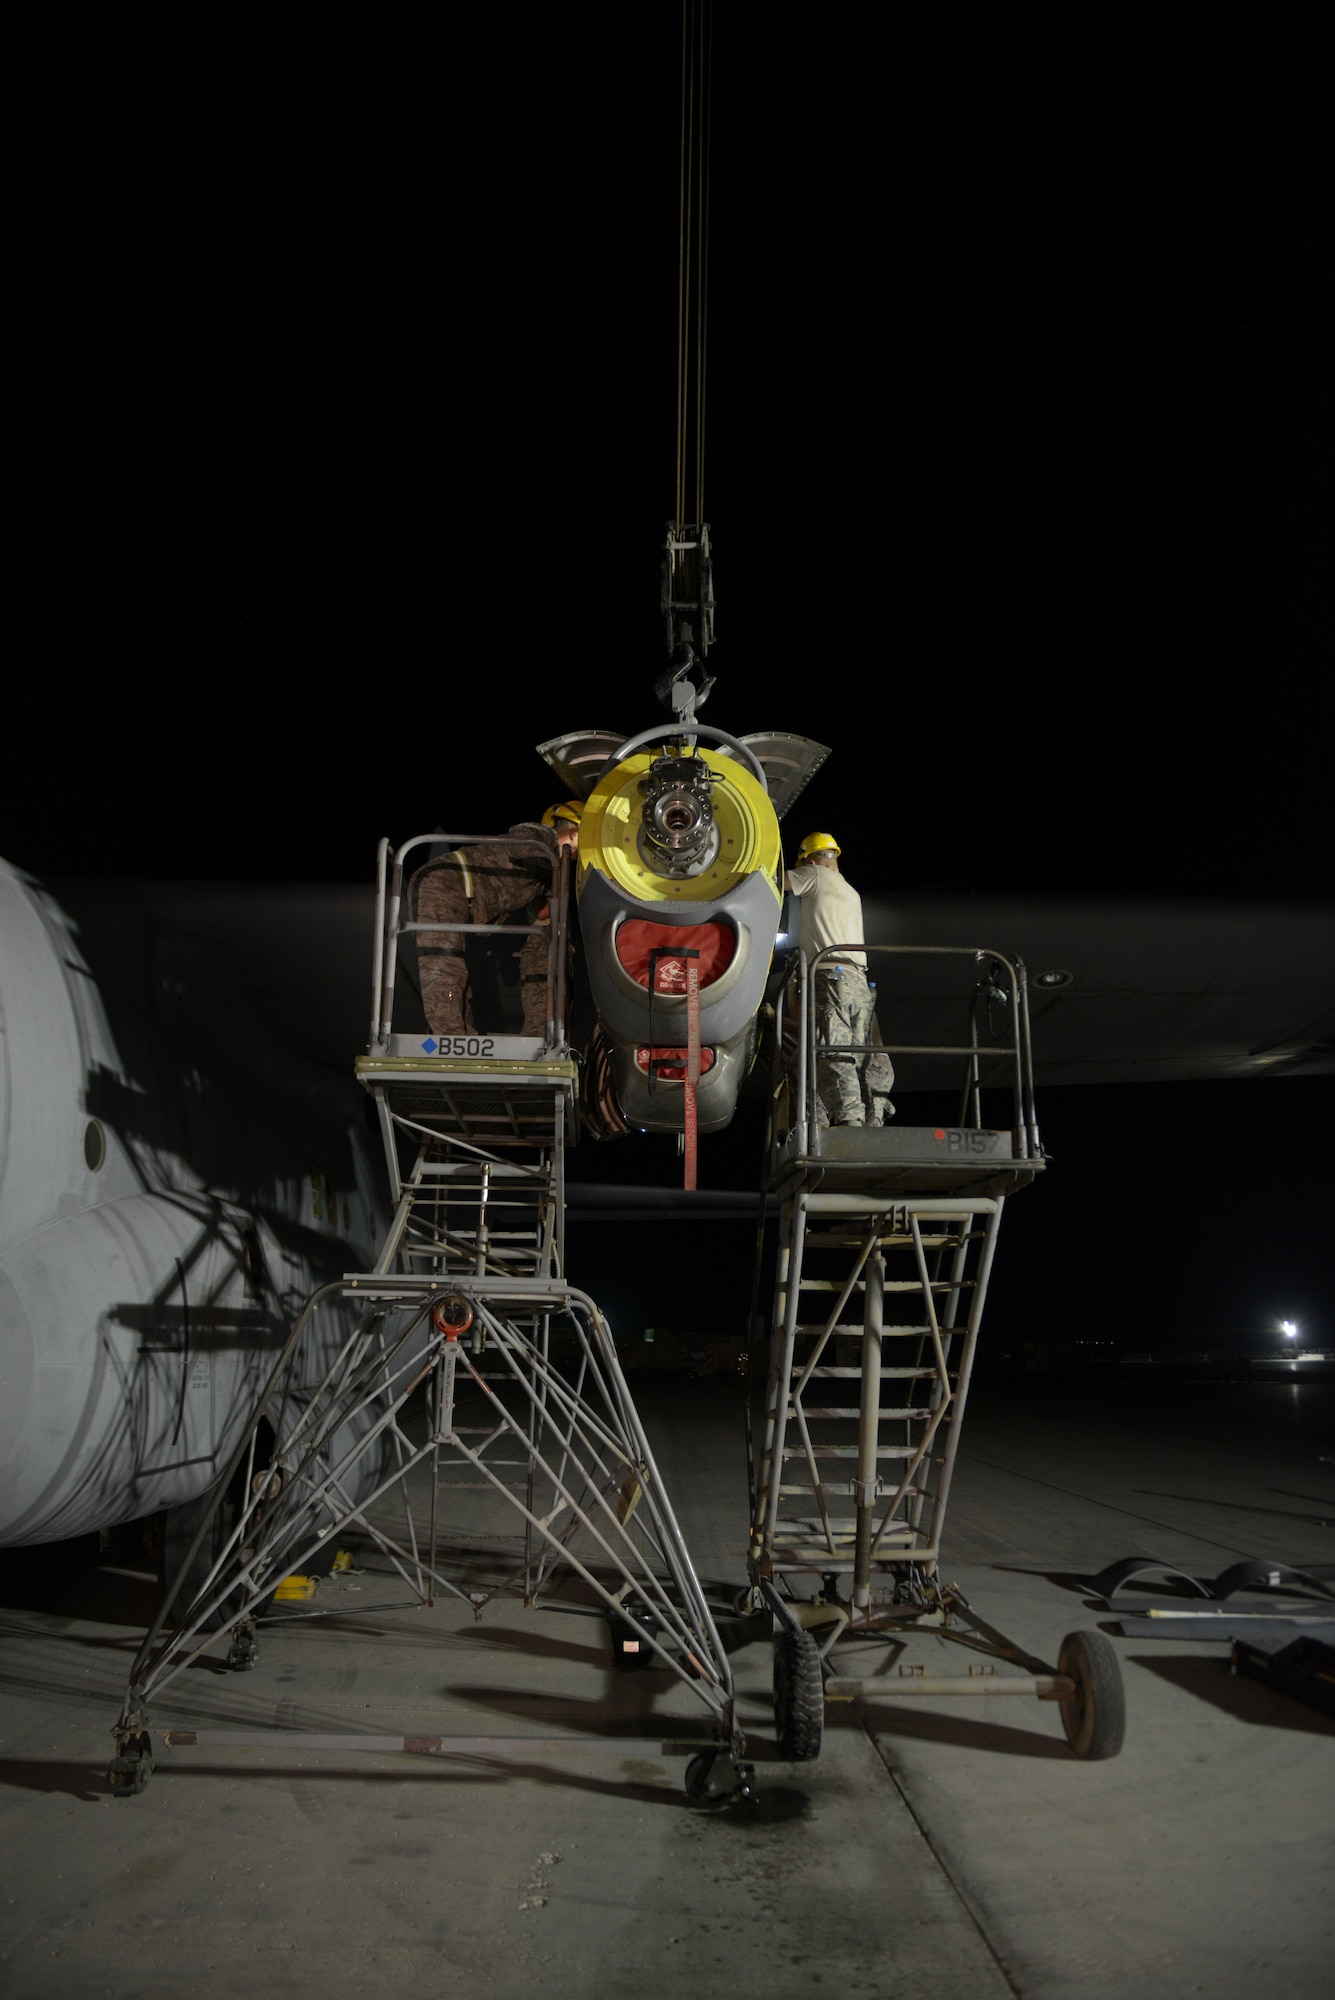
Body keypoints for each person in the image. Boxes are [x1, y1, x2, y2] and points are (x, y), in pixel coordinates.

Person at [408, 802, 582, 1037]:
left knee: (549, 942)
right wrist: (561, 850)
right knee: (444, 968)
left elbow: (543, 916)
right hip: (443, 882)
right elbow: (523, 847)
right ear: (573, 832)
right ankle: (450, 1039)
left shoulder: (549, 873)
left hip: (461, 896)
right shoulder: (538, 836)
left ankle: (540, 1033)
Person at [786, 832, 893, 1127]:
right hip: (860, 982)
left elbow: (776, 883)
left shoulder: (815, 874)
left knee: (833, 1052)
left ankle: (850, 1124)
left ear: (809, 858)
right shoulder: (851, 891)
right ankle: (872, 1123)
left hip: (831, 977)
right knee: (868, 1058)